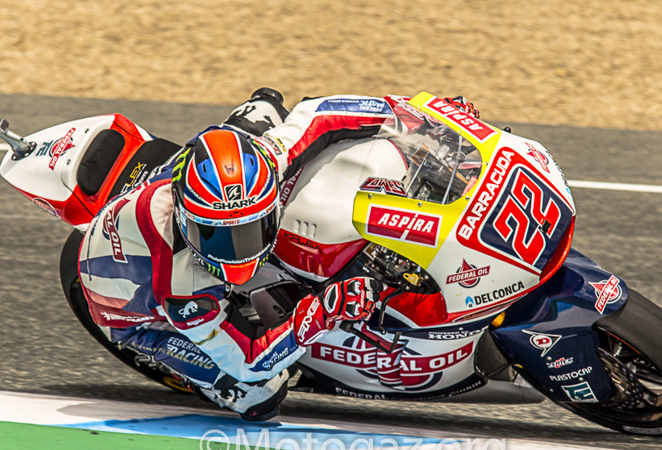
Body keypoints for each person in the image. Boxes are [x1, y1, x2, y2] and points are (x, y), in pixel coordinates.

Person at [78, 89, 478, 420]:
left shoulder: (267, 158)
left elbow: (323, 114)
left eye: (252, 229)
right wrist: (324, 310)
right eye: (218, 237)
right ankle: (193, 373)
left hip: (173, 190)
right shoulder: (183, 287)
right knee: (259, 394)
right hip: (133, 310)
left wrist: (422, 121)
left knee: (268, 106)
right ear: (185, 218)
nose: (239, 253)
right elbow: (251, 361)